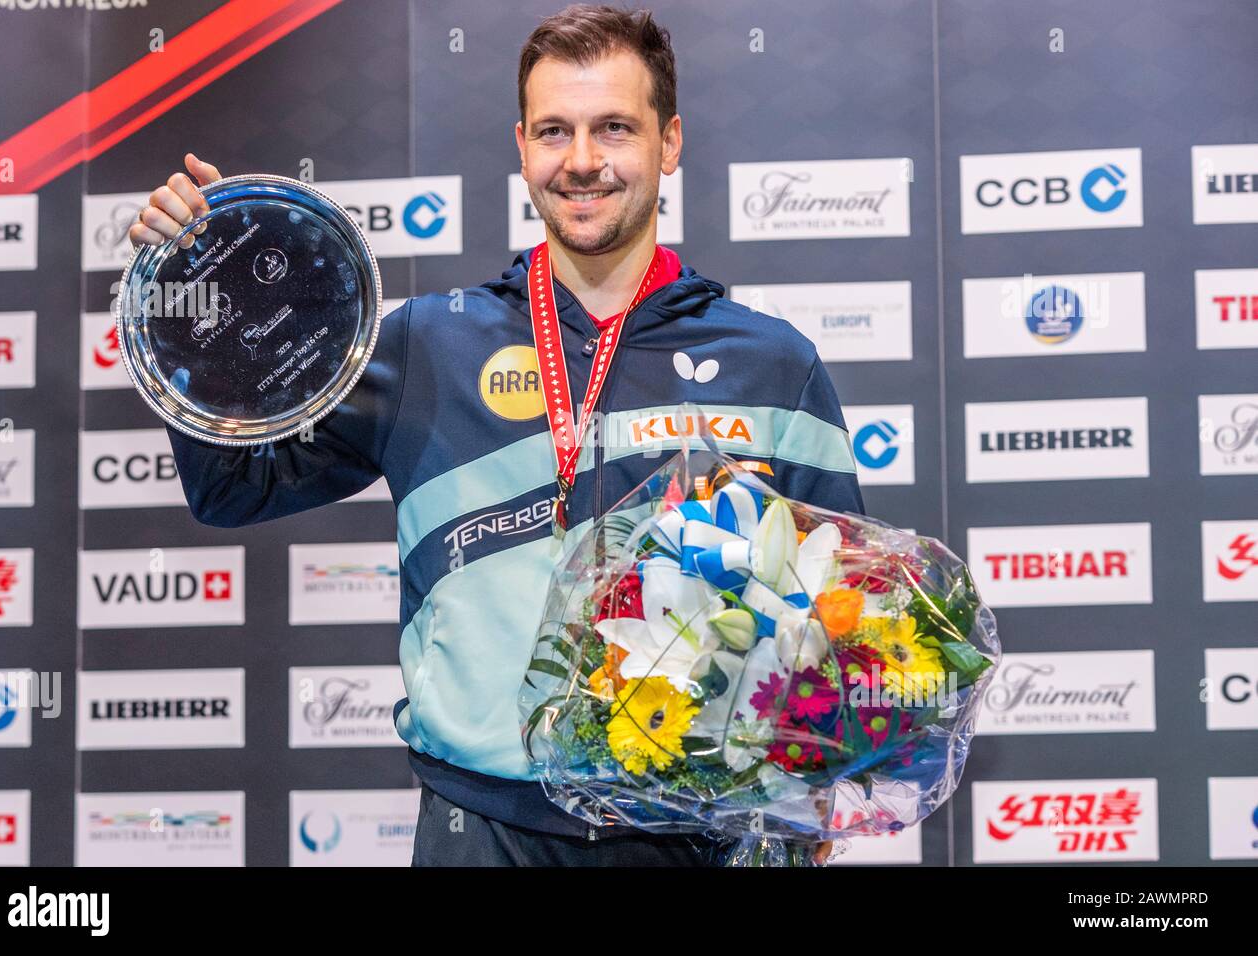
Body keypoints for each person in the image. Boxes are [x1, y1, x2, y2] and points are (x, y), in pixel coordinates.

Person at [129, 3, 862, 866]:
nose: (582, 161)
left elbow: (843, 620)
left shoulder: (773, 364)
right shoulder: (426, 344)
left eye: (614, 129)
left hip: (695, 835)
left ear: (669, 144)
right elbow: (232, 487)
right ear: (521, 146)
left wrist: (815, 784)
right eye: (554, 130)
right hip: (480, 831)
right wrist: (192, 312)